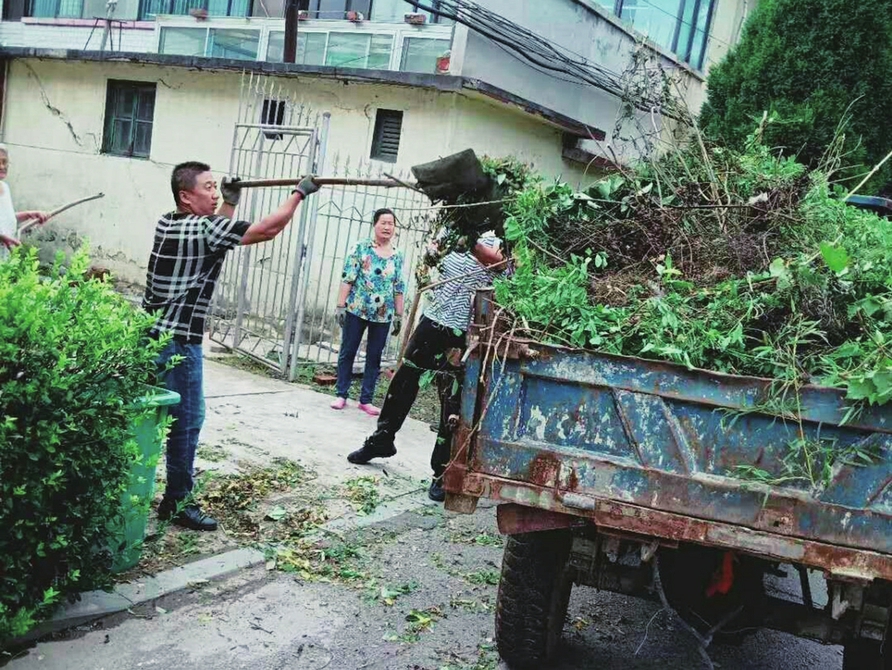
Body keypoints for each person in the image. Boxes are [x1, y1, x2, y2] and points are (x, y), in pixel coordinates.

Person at [144, 161, 319, 531]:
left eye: (215, 186)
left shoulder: (168, 222)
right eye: (207, 188)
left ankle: (171, 495)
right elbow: (267, 230)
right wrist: (299, 193)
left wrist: (230, 202)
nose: (214, 194)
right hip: (179, 343)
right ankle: (177, 502)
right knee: (187, 422)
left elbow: (217, 239)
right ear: (185, 197)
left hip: (155, 338)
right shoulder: (203, 227)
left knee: (171, 419)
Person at [347, 233, 505, 502]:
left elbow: (503, 265)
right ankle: (382, 439)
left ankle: (442, 471)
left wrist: (482, 250)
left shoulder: (501, 236)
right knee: (402, 383)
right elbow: (433, 255)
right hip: (432, 321)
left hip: (463, 334)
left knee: (451, 402)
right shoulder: (458, 230)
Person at [331, 208, 406, 416]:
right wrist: (340, 305)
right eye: (383, 222)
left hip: (383, 315)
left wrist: (399, 315)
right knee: (348, 351)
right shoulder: (361, 248)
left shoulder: (397, 255)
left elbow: (399, 286)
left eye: (391, 223)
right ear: (375, 225)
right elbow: (348, 277)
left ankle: (366, 400)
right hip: (357, 309)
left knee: (374, 356)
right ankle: (341, 394)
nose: (387, 227)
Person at [0, 144, 48, 260]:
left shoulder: (5, 187)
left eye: (5, 162)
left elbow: (5, 219)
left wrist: (29, 215)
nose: (2, 166)